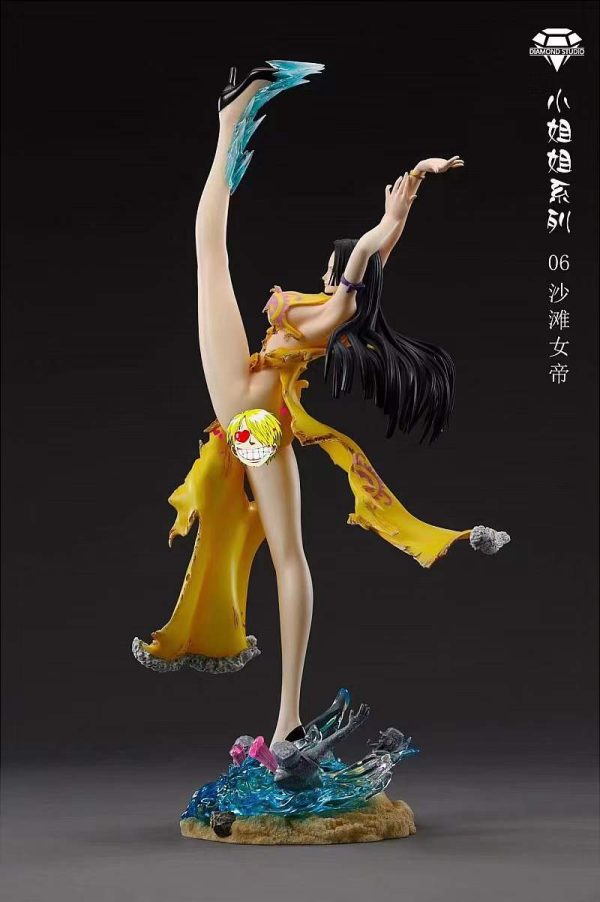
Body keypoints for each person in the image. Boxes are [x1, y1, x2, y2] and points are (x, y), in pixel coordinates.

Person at [132, 60, 509, 747]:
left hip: (247, 413)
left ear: (342, 277)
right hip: (256, 423)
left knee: (209, 253)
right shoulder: (328, 306)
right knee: (289, 558)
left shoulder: (334, 309)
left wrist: (382, 227)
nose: (328, 271)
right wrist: (405, 203)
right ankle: (286, 720)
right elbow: (372, 259)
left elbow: (362, 263)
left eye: (336, 269)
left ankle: (228, 121)